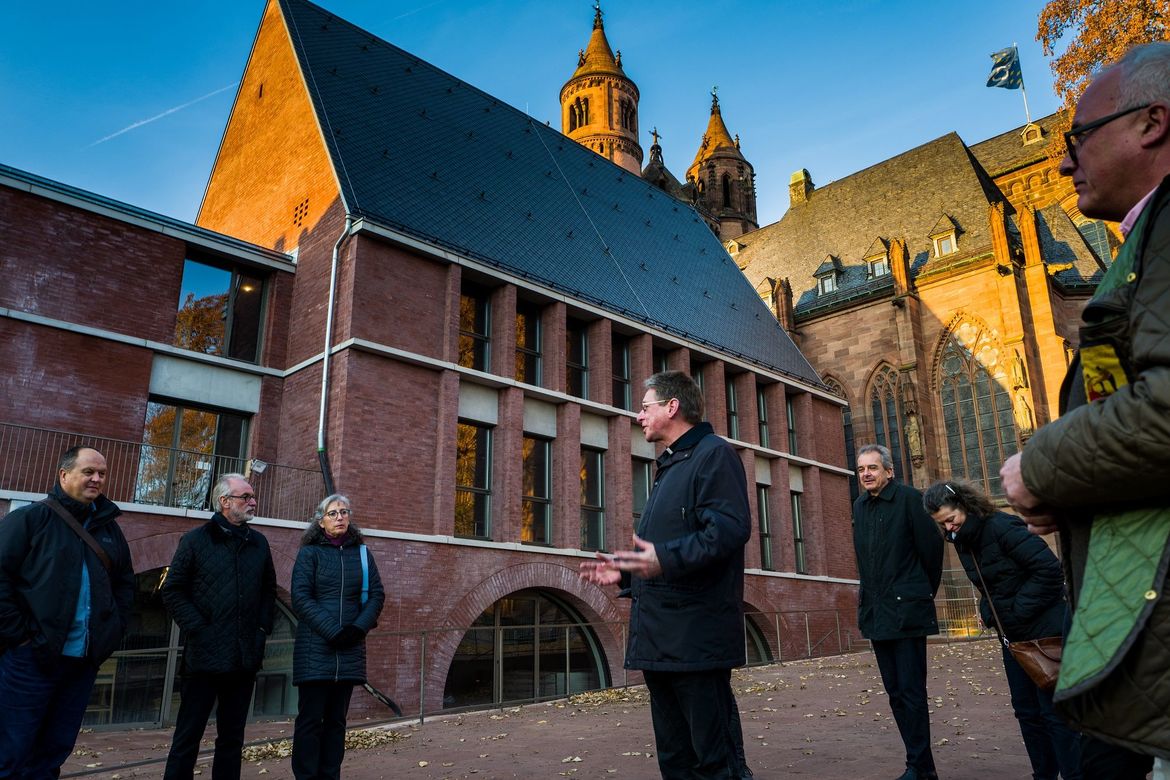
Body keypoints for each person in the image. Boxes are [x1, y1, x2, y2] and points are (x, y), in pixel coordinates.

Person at [999, 41, 1170, 779]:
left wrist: (1040, 468)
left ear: (1153, 123)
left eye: (1079, 140)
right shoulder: (1143, 242)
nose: (1064, 164)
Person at [580, 370, 751, 779]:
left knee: (714, 761)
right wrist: (626, 575)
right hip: (662, 643)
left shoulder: (714, 455)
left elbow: (727, 532)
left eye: (645, 407)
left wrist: (664, 559)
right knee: (675, 760)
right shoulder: (672, 465)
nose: (638, 416)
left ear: (672, 407)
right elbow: (666, 552)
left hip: (696, 641)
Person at [922, 480, 1081, 780]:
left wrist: (1014, 612)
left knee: (1055, 715)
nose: (949, 529)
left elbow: (1049, 570)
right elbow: (990, 587)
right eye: (942, 525)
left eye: (951, 520)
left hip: (1046, 633)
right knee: (1027, 713)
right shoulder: (964, 541)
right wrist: (987, 611)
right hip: (1014, 639)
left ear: (965, 506)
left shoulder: (1002, 527)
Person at [0, 445, 135, 777]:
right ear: (64, 474)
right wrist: (21, 636)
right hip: (30, 660)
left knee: (54, 751)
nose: (97, 479)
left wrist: (112, 632)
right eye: (88, 471)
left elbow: (125, 585)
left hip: (81, 662)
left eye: (102, 473)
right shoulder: (30, 520)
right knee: (12, 750)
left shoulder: (109, 528)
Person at [162, 472, 276, 780]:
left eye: (252, 497)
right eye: (246, 497)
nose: (253, 502)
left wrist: (262, 630)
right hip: (204, 658)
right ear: (224, 501)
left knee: (232, 739)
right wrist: (199, 629)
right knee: (188, 736)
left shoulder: (259, 543)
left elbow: (269, 592)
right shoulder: (196, 540)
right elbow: (172, 590)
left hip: (243, 658)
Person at [853, 444, 943, 780]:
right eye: (862, 469)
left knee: (911, 692)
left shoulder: (909, 500)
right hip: (877, 614)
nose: (866, 474)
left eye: (873, 468)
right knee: (894, 694)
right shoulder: (860, 506)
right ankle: (917, 762)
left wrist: (918, 593)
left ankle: (921, 766)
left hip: (907, 612)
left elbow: (931, 553)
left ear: (889, 471)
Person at [291, 494, 385, 780]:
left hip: (349, 650)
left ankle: (330, 775)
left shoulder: (362, 553)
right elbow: (301, 598)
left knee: (336, 723)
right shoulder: (310, 553)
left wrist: (357, 629)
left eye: (344, 512)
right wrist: (334, 632)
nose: (340, 517)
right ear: (320, 521)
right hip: (315, 651)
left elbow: (377, 595)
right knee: (310, 723)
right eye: (333, 513)